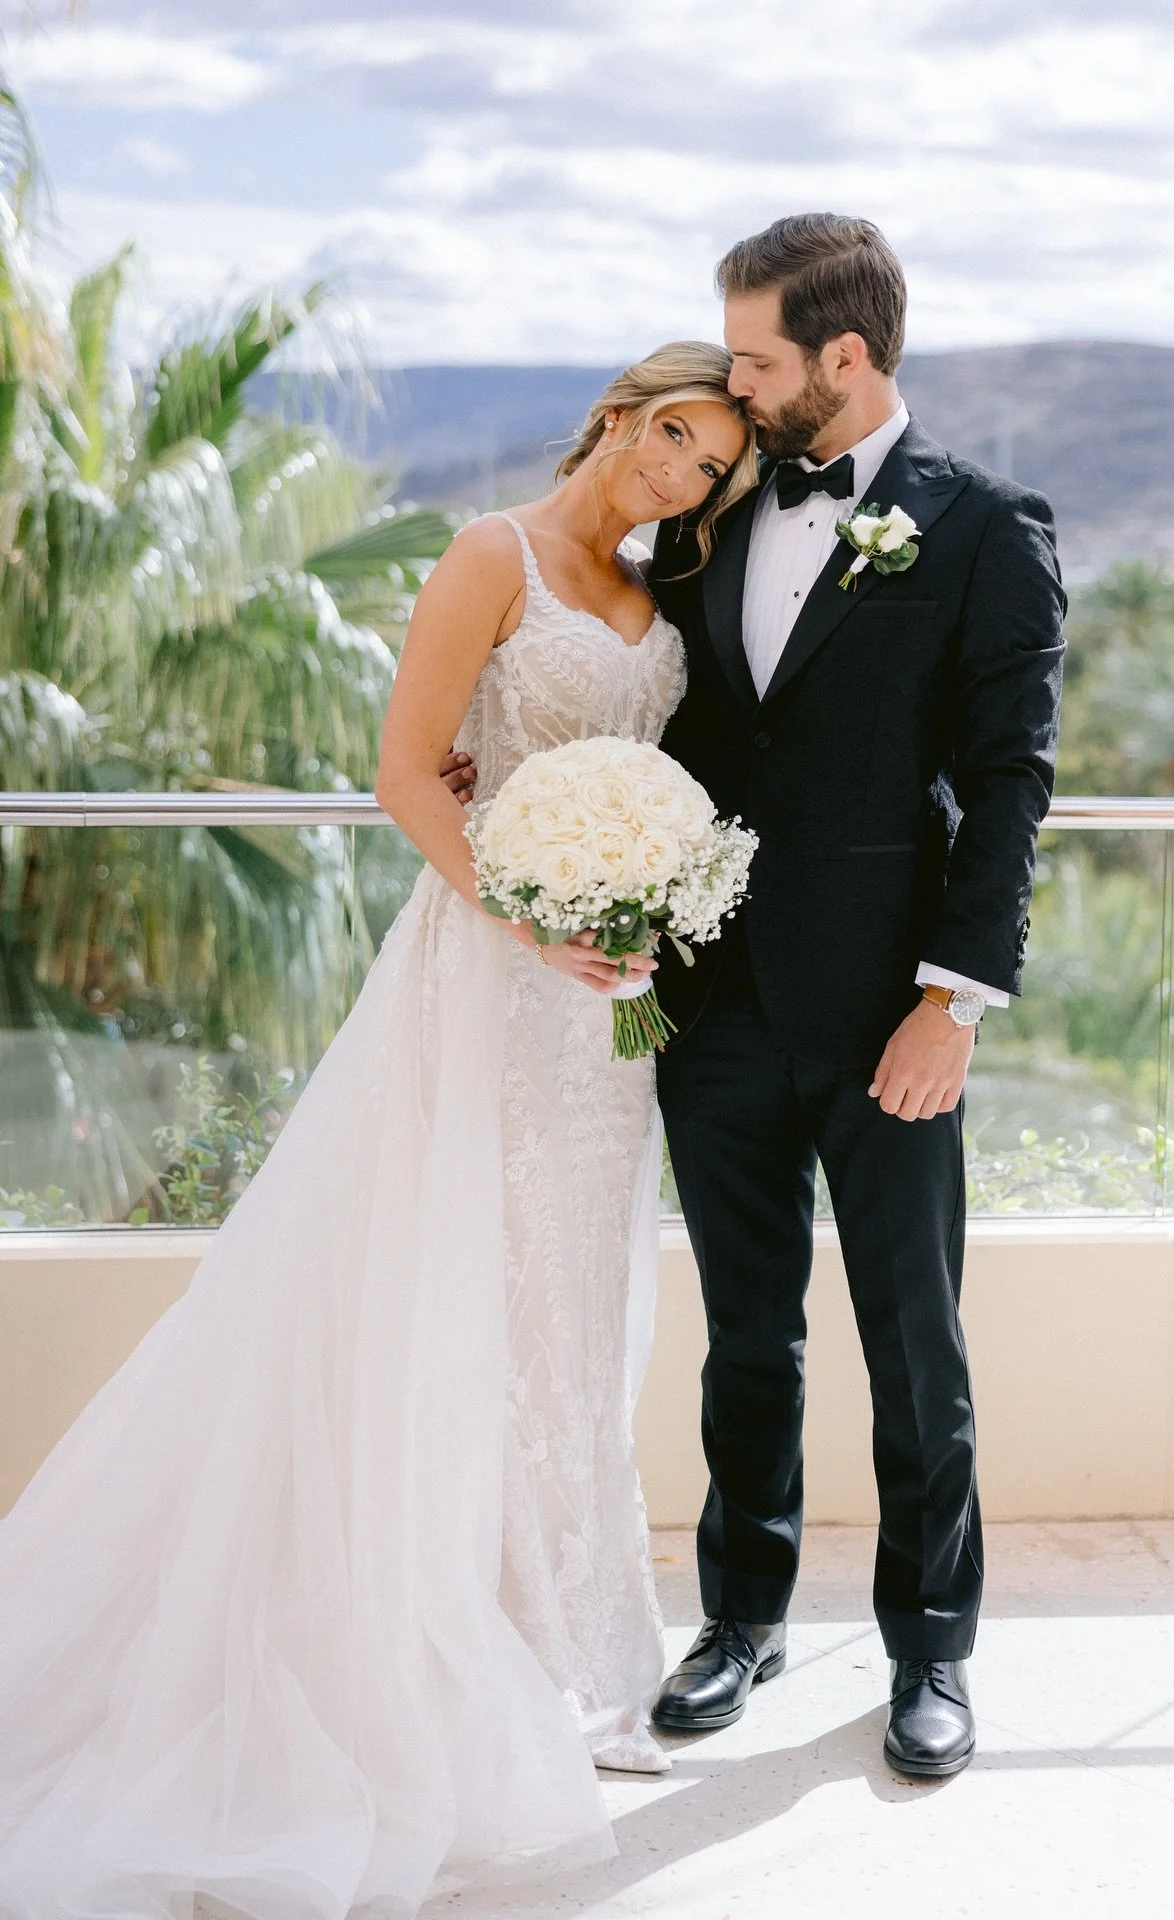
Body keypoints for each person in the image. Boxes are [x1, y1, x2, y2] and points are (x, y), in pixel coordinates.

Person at [0, 343, 756, 1915]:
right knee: (447, 1292)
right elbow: (408, 773)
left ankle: (578, 1647)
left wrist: (642, 895)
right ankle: (464, 1652)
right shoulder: (492, 553)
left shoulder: (653, 590)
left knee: (577, 1306)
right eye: (678, 439)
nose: (685, 478)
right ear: (623, 412)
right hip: (489, 971)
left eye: (712, 471)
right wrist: (529, 913)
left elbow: (637, 766)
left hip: (609, 1009)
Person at [646, 214, 1066, 1777]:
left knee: (915, 1339)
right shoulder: (712, 515)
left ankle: (932, 1652)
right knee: (746, 1334)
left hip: (895, 1010)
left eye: (757, 358)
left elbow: (1013, 782)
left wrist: (952, 1003)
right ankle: (739, 1617)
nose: (736, 387)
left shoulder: (981, 527)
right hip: (711, 1002)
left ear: (846, 355)